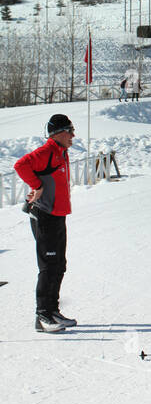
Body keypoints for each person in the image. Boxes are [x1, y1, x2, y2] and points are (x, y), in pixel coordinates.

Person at [14, 114, 78, 332]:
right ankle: (42, 316)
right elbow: (20, 165)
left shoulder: (61, 152)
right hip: (45, 216)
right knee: (49, 266)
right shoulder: (48, 151)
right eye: (70, 130)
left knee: (59, 264)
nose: (73, 135)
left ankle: (52, 311)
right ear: (58, 133)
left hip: (58, 215)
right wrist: (36, 185)